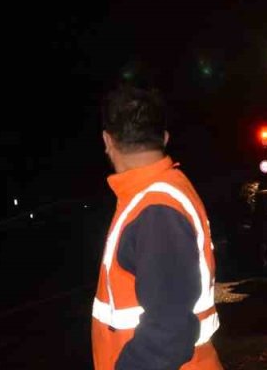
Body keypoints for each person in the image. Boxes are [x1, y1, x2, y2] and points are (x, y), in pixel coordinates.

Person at [92, 85, 223, 370]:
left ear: (107, 140)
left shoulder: (155, 209)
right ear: (163, 138)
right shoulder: (158, 194)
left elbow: (170, 330)